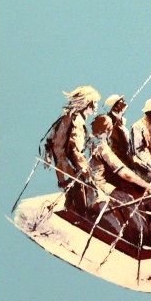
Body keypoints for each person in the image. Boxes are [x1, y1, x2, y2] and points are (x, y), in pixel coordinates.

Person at [43, 85, 101, 214]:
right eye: (95, 102)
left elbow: (52, 140)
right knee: (88, 195)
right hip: (69, 169)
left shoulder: (68, 118)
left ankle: (70, 210)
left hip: (62, 167)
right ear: (88, 104)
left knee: (74, 199)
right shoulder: (77, 122)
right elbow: (74, 150)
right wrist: (86, 171)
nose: (97, 106)